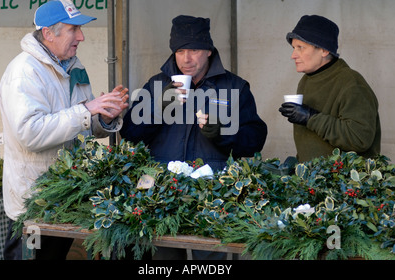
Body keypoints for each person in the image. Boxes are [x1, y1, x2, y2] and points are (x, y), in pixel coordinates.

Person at [120, 15, 268, 259]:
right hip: (162, 192)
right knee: (163, 259)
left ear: (209, 51)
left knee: (212, 259)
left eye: (194, 50)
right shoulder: (157, 85)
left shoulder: (234, 86)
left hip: (214, 194)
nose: (186, 59)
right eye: (180, 51)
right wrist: (159, 108)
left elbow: (255, 140)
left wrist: (223, 134)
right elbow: (130, 134)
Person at [0, 0, 129, 260]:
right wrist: (86, 110)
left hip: (65, 198)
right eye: (73, 29)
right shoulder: (24, 72)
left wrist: (103, 117)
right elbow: (31, 133)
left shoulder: (75, 67)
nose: (81, 37)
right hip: (33, 202)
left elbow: (81, 127)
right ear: (48, 33)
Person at [279, 14, 381, 163]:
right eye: (294, 48)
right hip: (313, 182)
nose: (293, 55)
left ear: (324, 50)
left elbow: (359, 139)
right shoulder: (306, 81)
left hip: (346, 183)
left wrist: (311, 118)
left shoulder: (351, 83)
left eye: (300, 48)